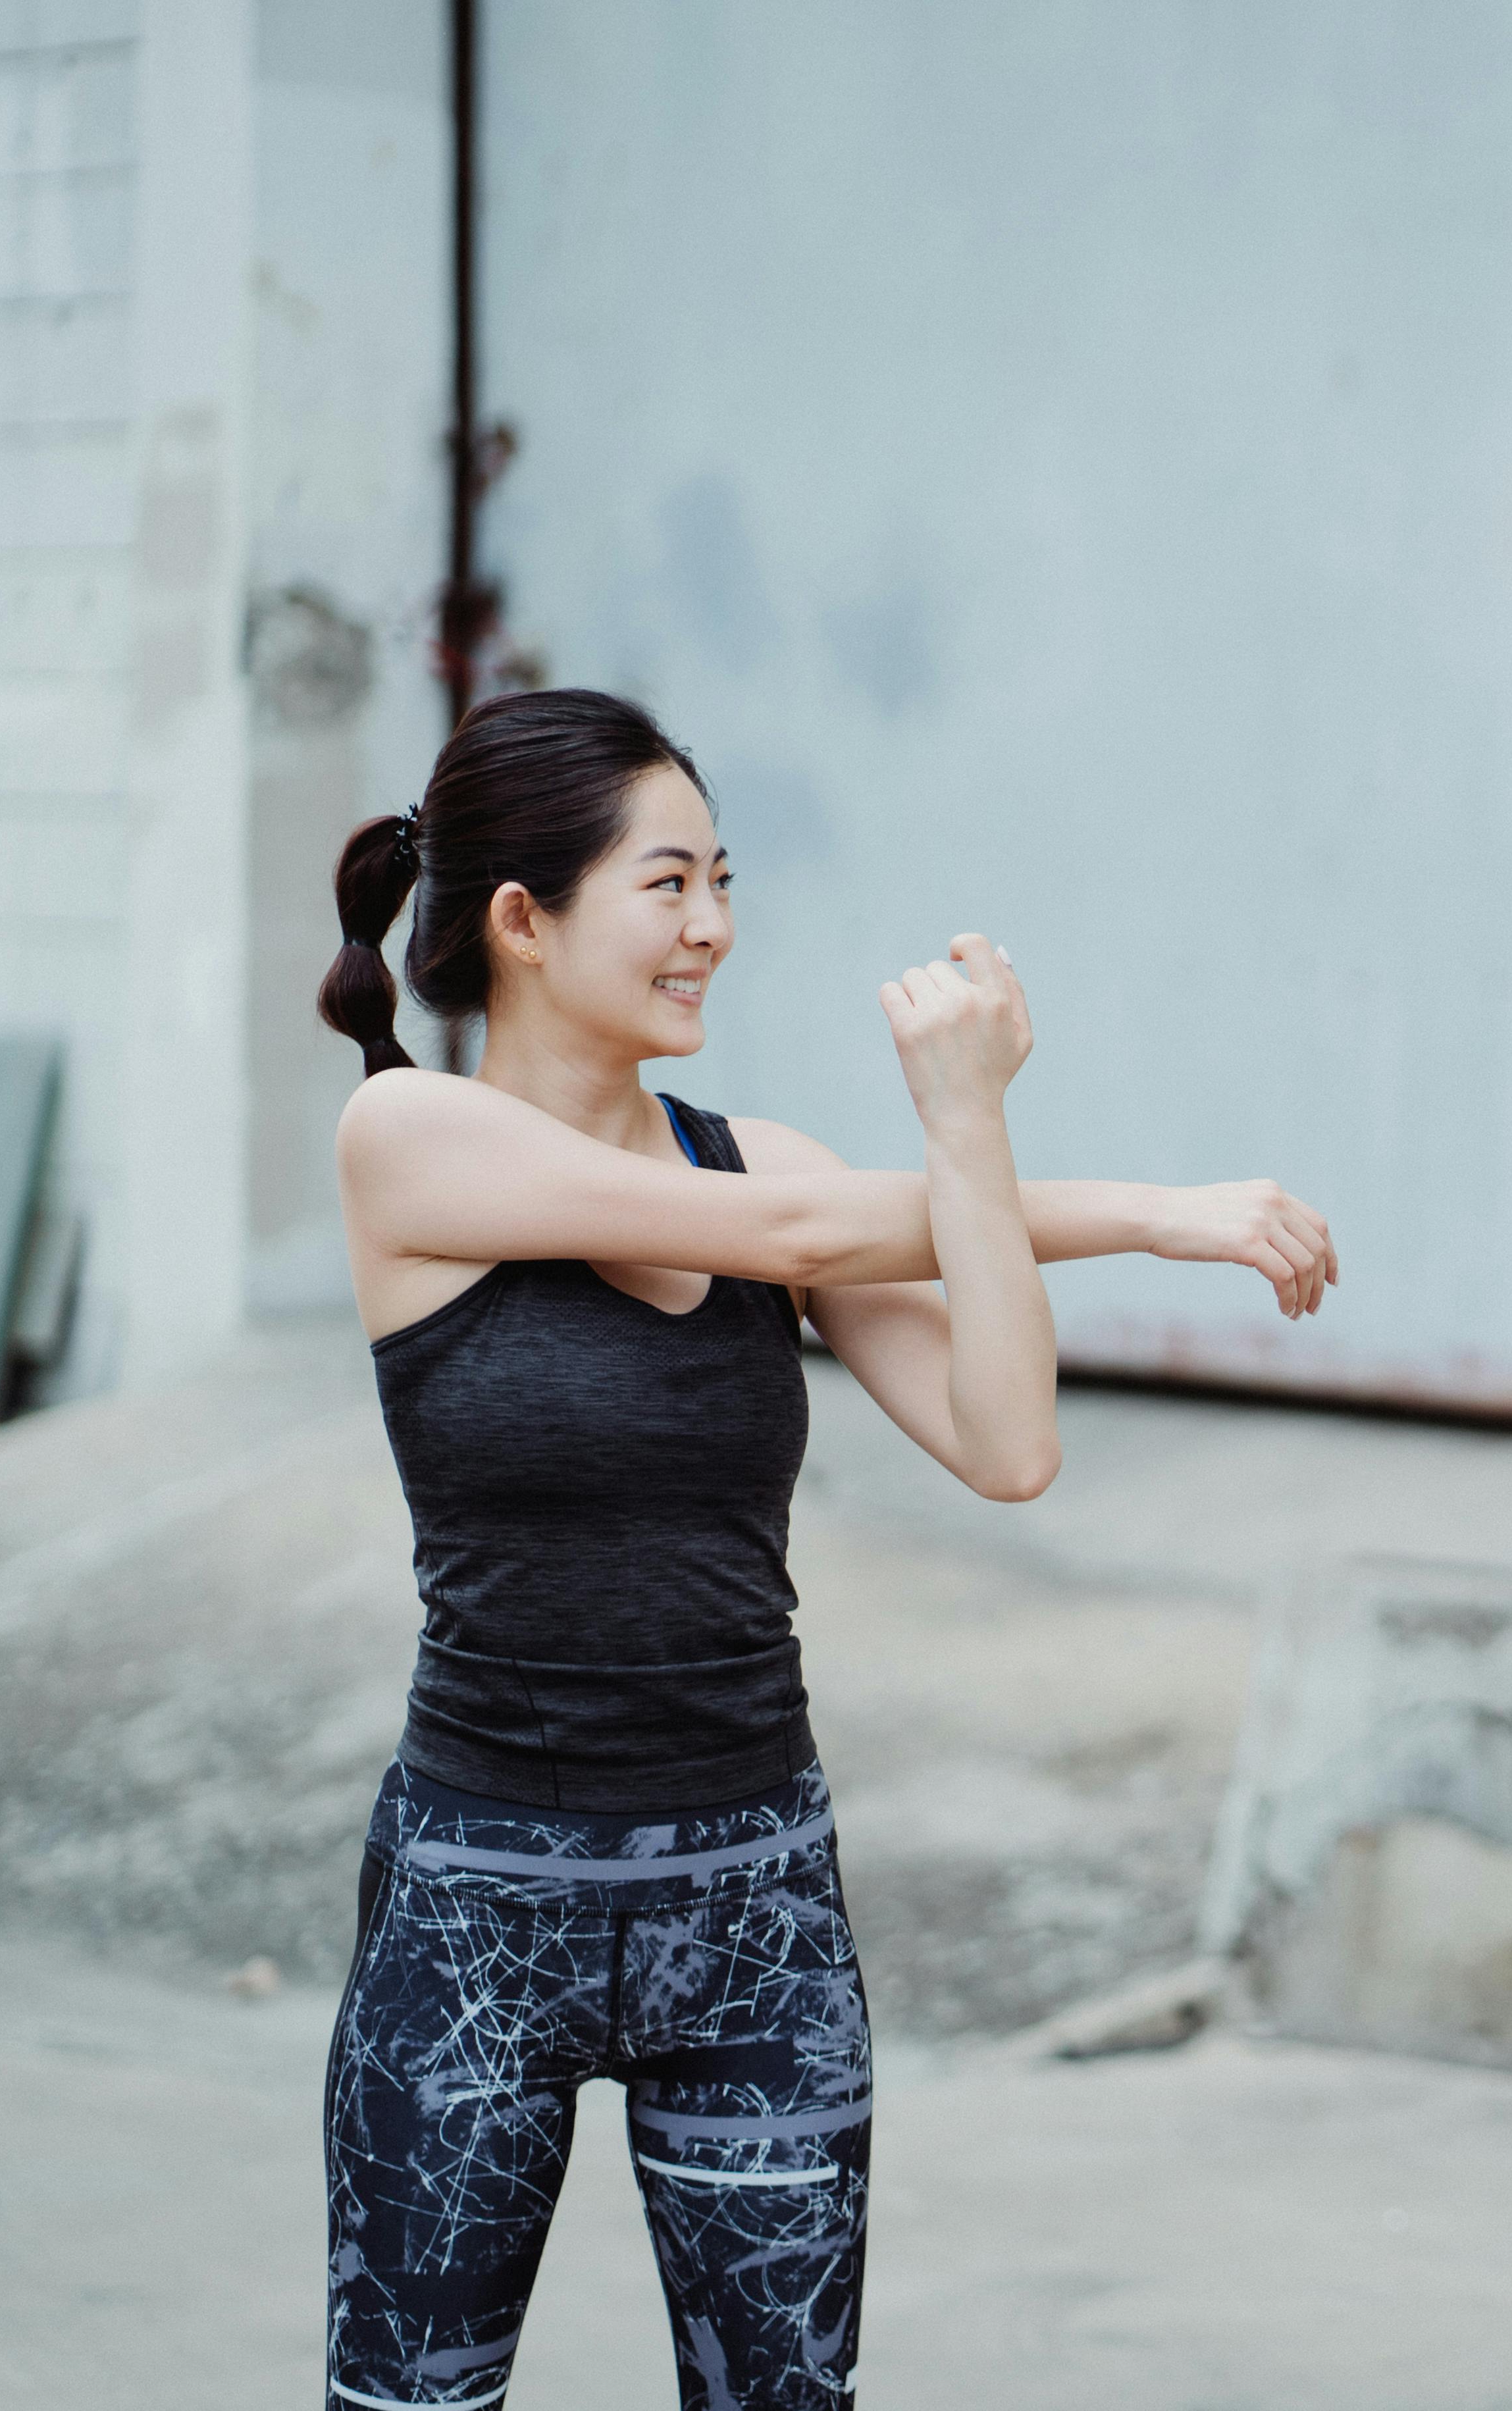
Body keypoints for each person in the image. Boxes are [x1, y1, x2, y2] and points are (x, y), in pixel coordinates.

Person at [309, 687, 1338, 2410]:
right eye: (670, 884)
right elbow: (794, 1230)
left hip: (755, 1903)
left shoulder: (763, 1161)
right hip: (483, 1901)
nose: (715, 926)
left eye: (726, 879)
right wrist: (1156, 1214)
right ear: (521, 920)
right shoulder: (409, 1139)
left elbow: (1009, 1443)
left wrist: (975, 1133)